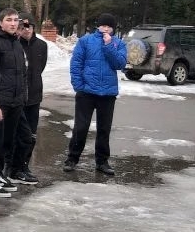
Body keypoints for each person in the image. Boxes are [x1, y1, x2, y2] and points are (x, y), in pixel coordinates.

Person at [63, 12, 128, 176]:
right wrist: (78, 85)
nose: (105, 29)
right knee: (81, 127)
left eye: (109, 26)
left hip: (108, 93)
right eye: (103, 25)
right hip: (86, 92)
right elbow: (76, 63)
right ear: (97, 26)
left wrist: (108, 46)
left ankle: (102, 161)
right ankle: (72, 158)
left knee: (104, 129)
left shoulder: (118, 43)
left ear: (113, 28)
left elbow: (120, 64)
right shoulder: (85, 41)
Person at [0, 8, 35, 187]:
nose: (13, 23)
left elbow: (22, 74)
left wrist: (22, 97)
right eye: (9, 20)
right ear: (0, 22)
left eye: (15, 20)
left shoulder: (16, 42)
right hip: (1, 101)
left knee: (8, 141)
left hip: (16, 101)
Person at [11, 14, 48, 182]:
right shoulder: (14, 43)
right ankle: (11, 166)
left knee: (31, 135)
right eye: (22, 26)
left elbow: (40, 68)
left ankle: (24, 165)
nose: (25, 29)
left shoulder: (42, 45)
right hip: (16, 97)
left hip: (33, 96)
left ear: (34, 28)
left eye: (29, 26)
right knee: (15, 134)